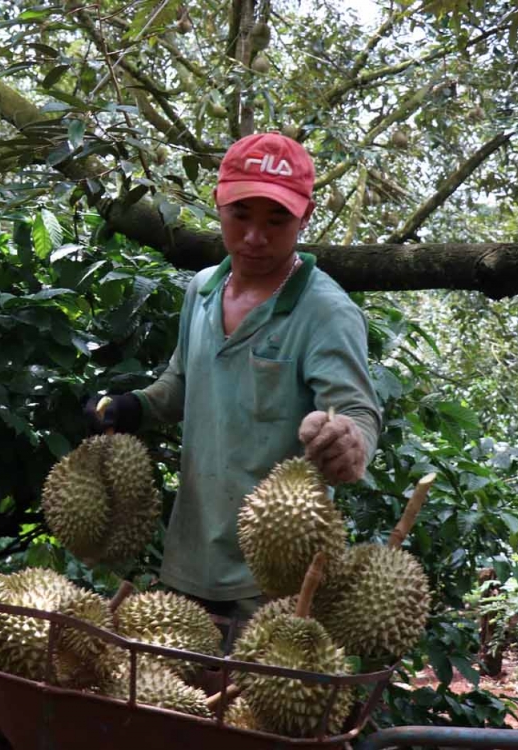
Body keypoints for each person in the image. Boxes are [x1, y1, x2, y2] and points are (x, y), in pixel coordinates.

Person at [86, 132, 382, 630]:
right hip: (188, 558)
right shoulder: (202, 289)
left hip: (273, 576)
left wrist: (349, 443)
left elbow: (357, 412)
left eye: (277, 220)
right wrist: (129, 407)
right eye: (241, 215)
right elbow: (182, 381)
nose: (255, 237)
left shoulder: (326, 312)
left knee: (247, 706)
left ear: (305, 217)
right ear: (218, 204)